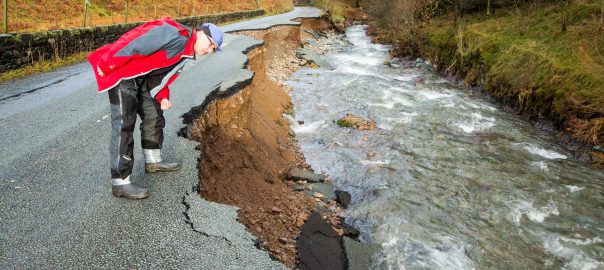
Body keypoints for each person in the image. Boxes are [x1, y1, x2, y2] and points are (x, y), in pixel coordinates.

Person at [87, 18, 223, 199]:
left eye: (213, 49)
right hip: (123, 74)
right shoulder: (176, 34)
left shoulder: (187, 51)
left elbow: (162, 76)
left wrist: (163, 95)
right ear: (200, 32)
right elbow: (136, 40)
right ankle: (120, 182)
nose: (208, 50)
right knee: (124, 124)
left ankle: (153, 161)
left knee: (154, 114)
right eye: (210, 44)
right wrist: (107, 62)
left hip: (142, 79)